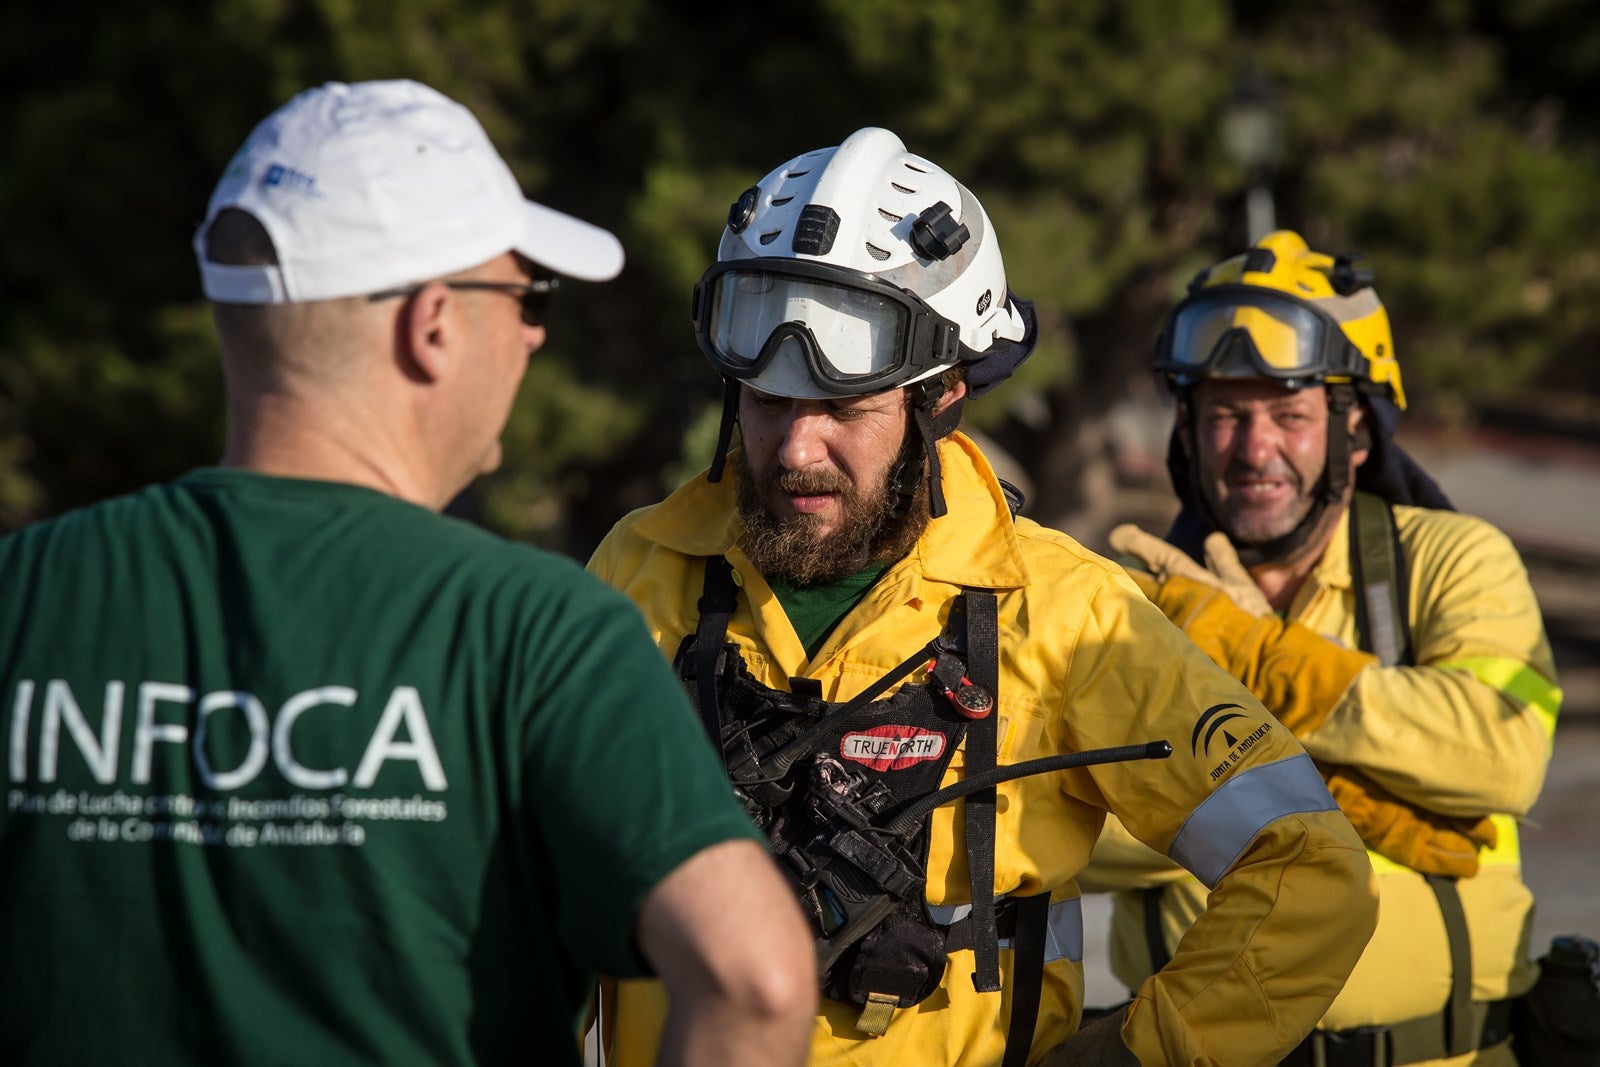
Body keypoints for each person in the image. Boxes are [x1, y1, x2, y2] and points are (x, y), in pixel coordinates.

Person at [0, 79, 816, 1067]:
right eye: (527, 295)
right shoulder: (537, 629)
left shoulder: (28, 590)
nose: (534, 333)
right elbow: (754, 979)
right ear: (431, 324)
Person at [588, 128, 1378, 1067]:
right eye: (766, 401)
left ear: (945, 394)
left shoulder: (1065, 611)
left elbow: (1306, 865)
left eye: (843, 408)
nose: (796, 451)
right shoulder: (639, 570)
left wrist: (1136, 1057)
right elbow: (518, 873)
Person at [1089, 230, 1562, 1066]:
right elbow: (1078, 824)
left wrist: (1257, 664)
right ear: (1189, 434)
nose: (1253, 448)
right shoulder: (1139, 598)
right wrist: (1355, 786)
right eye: (1226, 414)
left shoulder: (1451, 557)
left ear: (1356, 430)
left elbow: (1501, 753)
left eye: (1290, 414)